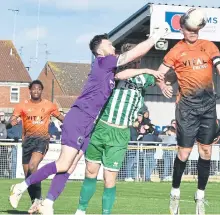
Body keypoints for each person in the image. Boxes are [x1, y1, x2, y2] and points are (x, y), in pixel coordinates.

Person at [9, 23, 170, 215]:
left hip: (88, 124)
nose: (113, 48)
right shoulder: (104, 62)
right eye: (110, 45)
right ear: (100, 50)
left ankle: (49, 203)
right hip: (78, 118)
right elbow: (131, 56)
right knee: (63, 164)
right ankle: (21, 186)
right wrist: (155, 37)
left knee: (70, 167)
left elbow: (124, 73)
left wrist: (149, 71)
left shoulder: (109, 70)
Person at [156, 11, 220, 215]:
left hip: (207, 107)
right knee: (184, 153)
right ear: (182, 29)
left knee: (206, 152)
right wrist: (162, 85)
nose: (193, 32)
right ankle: (175, 192)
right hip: (186, 107)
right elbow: (159, 73)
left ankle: (200, 196)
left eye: (196, 29)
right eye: (190, 29)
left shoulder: (209, 46)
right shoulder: (175, 51)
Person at [74, 42, 169, 215]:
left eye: (139, 61)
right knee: (90, 172)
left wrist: (166, 80)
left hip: (120, 132)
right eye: (134, 61)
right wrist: (147, 70)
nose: (137, 64)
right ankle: (81, 211)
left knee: (109, 179)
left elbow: (162, 77)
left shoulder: (144, 79)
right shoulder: (113, 71)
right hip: (101, 127)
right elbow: (122, 75)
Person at [6, 80, 64, 213]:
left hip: (42, 140)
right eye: (34, 89)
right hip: (27, 141)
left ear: (41, 90)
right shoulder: (22, 106)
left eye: (39, 89)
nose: (36, 91)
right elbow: (11, 121)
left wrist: (74, 125)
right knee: (28, 175)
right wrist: (13, 122)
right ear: (30, 90)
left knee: (33, 166)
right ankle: (35, 201)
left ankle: (34, 199)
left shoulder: (49, 105)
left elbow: (61, 117)